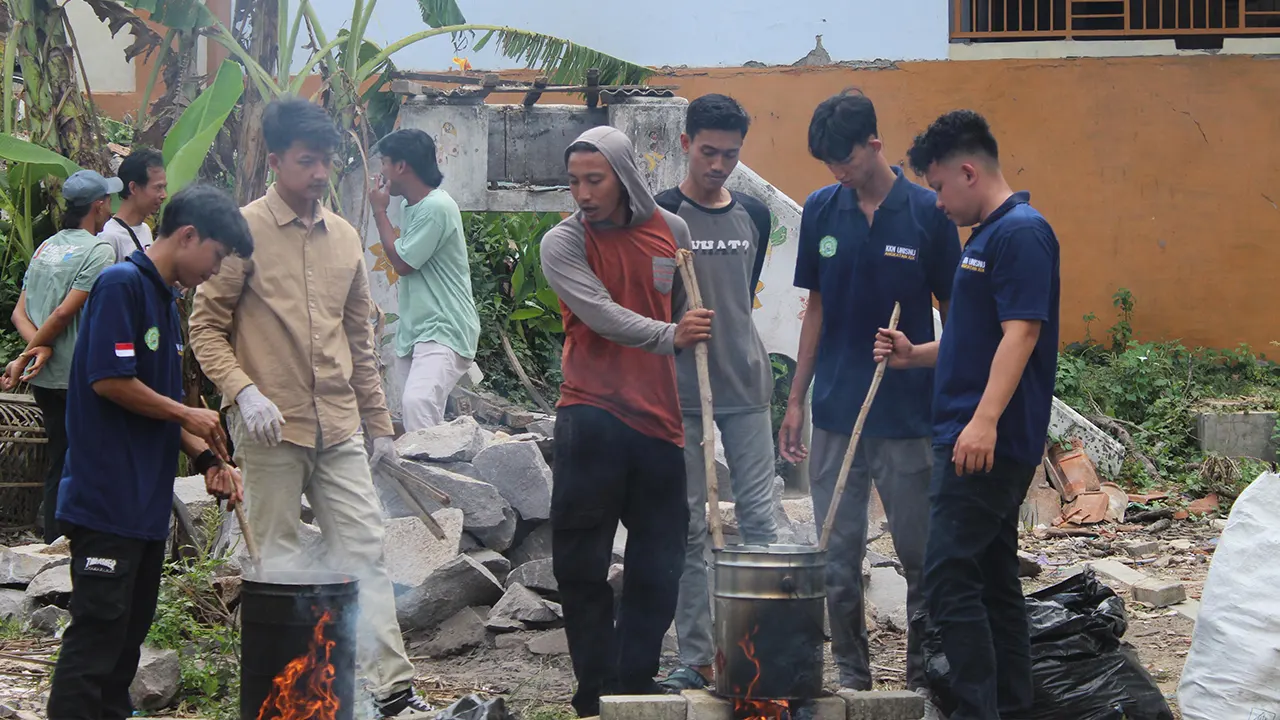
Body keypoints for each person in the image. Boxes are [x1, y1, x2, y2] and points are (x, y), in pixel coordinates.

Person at [188, 97, 429, 717]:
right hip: (271, 430)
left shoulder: (347, 236)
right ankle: (289, 692)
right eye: (306, 161)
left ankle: (390, 688)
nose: (320, 173)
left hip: (341, 426)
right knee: (279, 563)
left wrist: (380, 427)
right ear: (274, 161)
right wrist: (243, 390)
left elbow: (361, 339)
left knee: (364, 549)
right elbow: (205, 328)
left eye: (326, 161)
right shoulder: (240, 233)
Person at [874, 109, 1060, 720]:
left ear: (969, 171)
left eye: (938, 187)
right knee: (993, 579)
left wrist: (982, 422)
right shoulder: (985, 236)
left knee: (950, 577)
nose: (936, 202)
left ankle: (977, 711)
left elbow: (1022, 334)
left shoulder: (1021, 233)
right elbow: (973, 340)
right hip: (969, 431)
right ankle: (1009, 708)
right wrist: (915, 355)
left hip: (984, 440)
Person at [777, 90, 961, 692]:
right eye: (828, 163)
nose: (838, 173)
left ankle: (918, 683)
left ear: (875, 145)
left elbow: (959, 317)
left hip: (908, 417)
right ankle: (854, 680)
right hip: (834, 412)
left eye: (846, 160)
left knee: (919, 560)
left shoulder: (928, 212)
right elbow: (815, 311)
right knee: (836, 554)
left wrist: (921, 362)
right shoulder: (823, 210)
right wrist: (797, 399)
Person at [45, 184, 250, 720]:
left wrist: (206, 460)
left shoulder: (165, 299)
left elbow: (152, 407)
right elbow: (110, 382)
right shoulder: (120, 285)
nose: (216, 269)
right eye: (218, 255)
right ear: (187, 236)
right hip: (106, 498)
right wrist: (188, 414)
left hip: (144, 506)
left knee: (126, 642)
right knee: (96, 639)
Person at [540, 126, 713, 718]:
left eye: (595, 180)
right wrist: (671, 335)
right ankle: (594, 692)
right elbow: (604, 315)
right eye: (574, 183)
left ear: (625, 176)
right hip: (589, 414)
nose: (583, 194)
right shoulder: (563, 243)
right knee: (580, 563)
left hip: (660, 423)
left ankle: (634, 686)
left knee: (660, 562)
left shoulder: (674, 231)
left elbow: (685, 307)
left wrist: (685, 328)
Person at [652, 94, 777, 692]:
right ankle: (695, 657)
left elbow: (741, 294)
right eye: (709, 152)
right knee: (690, 526)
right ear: (685, 143)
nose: (719, 165)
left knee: (759, 523)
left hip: (747, 387)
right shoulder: (660, 214)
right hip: (679, 394)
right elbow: (650, 308)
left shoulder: (754, 212)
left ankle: (759, 650)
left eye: (730, 154)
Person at [4, 170, 119, 543]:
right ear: (99, 206)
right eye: (109, 201)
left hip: (44, 376)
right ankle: (69, 542)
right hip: (77, 375)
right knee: (83, 460)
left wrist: (35, 348)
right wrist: (41, 345)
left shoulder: (46, 247)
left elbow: (20, 313)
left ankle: (53, 536)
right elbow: (62, 314)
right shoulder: (99, 251)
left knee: (60, 457)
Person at [368, 128, 480, 431]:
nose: (381, 170)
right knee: (419, 417)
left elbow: (403, 263)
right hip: (419, 330)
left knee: (417, 404)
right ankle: (433, 473)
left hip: (444, 327)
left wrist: (379, 211)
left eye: (384, 162)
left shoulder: (436, 208)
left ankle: (433, 476)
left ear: (401, 166)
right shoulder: (412, 206)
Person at [100, 147, 167, 261]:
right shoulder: (110, 237)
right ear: (133, 188)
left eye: (164, 187)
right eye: (158, 187)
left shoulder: (145, 229)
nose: (164, 195)